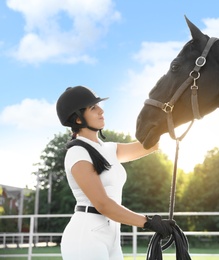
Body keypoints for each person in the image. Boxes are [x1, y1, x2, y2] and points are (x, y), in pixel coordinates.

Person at [56, 86, 174, 260]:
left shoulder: (109, 148)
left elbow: (151, 144)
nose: (101, 110)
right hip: (86, 237)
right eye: (93, 108)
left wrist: (174, 116)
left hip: (112, 237)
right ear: (78, 119)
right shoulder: (77, 152)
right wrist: (149, 222)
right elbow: (103, 205)